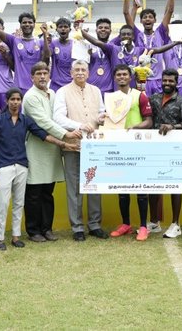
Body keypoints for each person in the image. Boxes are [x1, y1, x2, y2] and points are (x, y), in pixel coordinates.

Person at [0, 88, 71, 251]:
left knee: (19, 203)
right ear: (7, 101)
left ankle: (16, 237)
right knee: (3, 203)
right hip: (4, 166)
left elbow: (42, 134)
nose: (15, 102)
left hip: (21, 165)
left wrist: (63, 143)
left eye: (18, 99)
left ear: (21, 102)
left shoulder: (25, 120)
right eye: (12, 99)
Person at [22, 62, 82, 242]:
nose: (42, 77)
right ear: (32, 77)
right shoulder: (30, 97)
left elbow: (58, 117)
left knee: (48, 192)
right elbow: (43, 122)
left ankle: (47, 228)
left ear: (49, 76)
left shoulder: (52, 93)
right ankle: (33, 231)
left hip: (53, 149)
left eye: (45, 73)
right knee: (34, 192)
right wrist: (66, 134)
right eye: (38, 73)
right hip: (36, 149)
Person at [53, 60, 107, 241]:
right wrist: (79, 126)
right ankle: (77, 227)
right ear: (71, 73)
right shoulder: (62, 92)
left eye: (83, 70)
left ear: (88, 73)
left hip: (94, 146)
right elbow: (58, 117)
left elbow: (101, 113)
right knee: (74, 187)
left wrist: (101, 118)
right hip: (73, 145)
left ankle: (94, 225)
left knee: (94, 185)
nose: (80, 72)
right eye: (77, 70)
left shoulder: (96, 91)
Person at [106, 64, 154, 241]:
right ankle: (125, 224)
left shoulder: (139, 95)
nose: (121, 77)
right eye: (118, 75)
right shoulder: (111, 98)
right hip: (119, 147)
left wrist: (135, 127)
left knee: (141, 188)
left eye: (124, 74)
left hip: (137, 146)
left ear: (130, 77)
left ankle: (143, 226)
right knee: (122, 189)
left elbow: (149, 121)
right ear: (115, 78)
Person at [149, 69, 182, 238]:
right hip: (154, 150)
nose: (167, 83)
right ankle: (154, 222)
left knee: (175, 187)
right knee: (152, 185)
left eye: (171, 81)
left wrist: (172, 126)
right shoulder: (154, 99)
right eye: (165, 80)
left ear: (177, 82)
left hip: (174, 151)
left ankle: (175, 224)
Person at [123, 0, 173, 96]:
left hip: (158, 79)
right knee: (143, 110)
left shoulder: (160, 32)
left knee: (158, 109)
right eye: (144, 17)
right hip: (141, 81)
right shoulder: (137, 35)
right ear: (141, 21)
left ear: (155, 20)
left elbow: (170, 11)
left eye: (150, 17)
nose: (147, 19)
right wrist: (132, 3)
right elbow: (126, 15)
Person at [0, 12, 42, 93]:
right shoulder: (14, 40)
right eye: (24, 22)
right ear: (20, 25)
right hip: (19, 89)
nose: (27, 24)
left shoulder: (40, 43)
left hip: (36, 88)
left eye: (30, 22)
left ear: (34, 24)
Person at [87, 18, 114, 94]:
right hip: (91, 89)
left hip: (109, 90)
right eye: (100, 27)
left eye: (106, 28)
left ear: (110, 31)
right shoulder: (88, 47)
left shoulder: (114, 47)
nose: (103, 29)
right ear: (96, 30)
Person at [46, 18, 74, 90]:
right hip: (56, 84)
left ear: (70, 30)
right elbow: (47, 55)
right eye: (60, 27)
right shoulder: (53, 43)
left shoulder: (75, 44)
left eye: (65, 27)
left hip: (71, 84)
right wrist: (47, 43)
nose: (63, 29)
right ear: (56, 30)